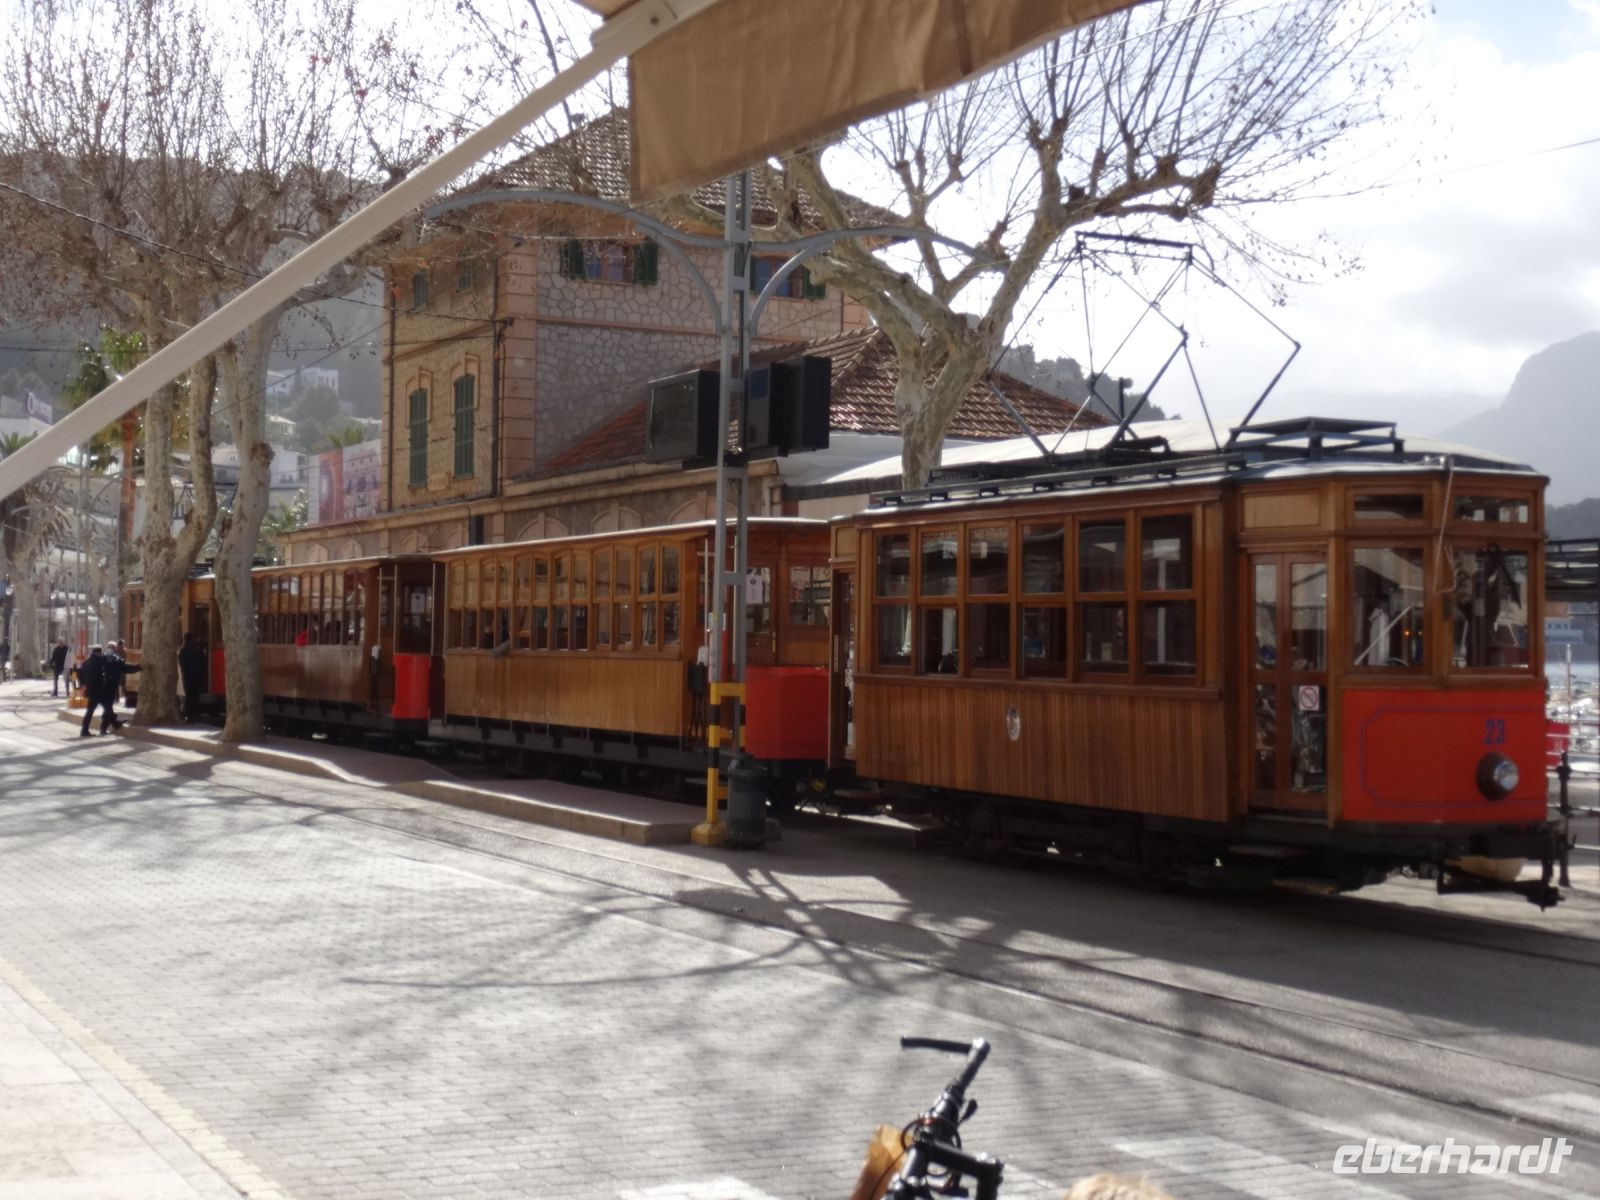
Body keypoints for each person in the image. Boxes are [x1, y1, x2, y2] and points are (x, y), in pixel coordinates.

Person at [103, 641, 141, 729]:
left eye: (112, 647)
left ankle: (109, 725)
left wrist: (138, 667)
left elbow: (126, 668)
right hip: (104, 685)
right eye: (110, 647)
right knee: (107, 706)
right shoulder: (103, 658)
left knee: (108, 706)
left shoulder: (116, 660)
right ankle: (111, 724)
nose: (111, 649)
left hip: (111, 685)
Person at [79, 646, 115, 737]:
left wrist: (83, 684)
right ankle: (107, 727)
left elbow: (80, 674)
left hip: (90, 690)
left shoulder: (86, 662)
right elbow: (102, 676)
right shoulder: (99, 662)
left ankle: (84, 730)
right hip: (99, 691)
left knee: (90, 711)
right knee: (108, 708)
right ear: (99, 652)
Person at [177, 632, 207, 723]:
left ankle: (190, 716)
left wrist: (184, 672)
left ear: (185, 639)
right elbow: (203, 661)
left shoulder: (183, 650)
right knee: (196, 695)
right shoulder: (198, 649)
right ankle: (197, 715)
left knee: (189, 696)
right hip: (197, 676)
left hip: (187, 676)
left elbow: (181, 663)